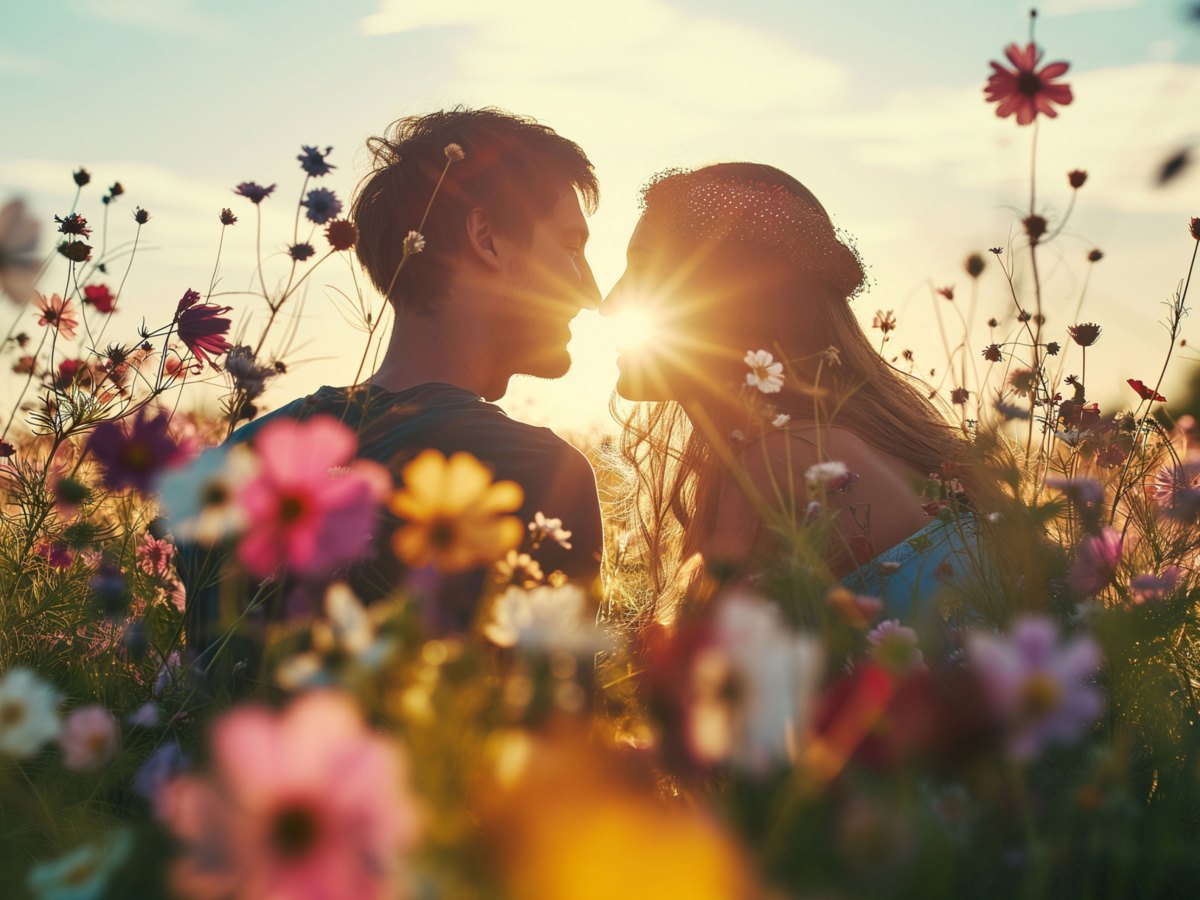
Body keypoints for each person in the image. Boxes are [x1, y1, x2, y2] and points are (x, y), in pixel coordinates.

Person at [182, 108, 606, 671]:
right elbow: (554, 732)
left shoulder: (234, 463)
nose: (591, 291)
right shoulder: (534, 470)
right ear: (487, 239)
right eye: (572, 247)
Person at [603, 163, 984, 625]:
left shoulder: (787, 465)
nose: (611, 302)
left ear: (726, 296)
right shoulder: (841, 447)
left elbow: (712, 684)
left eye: (642, 268)